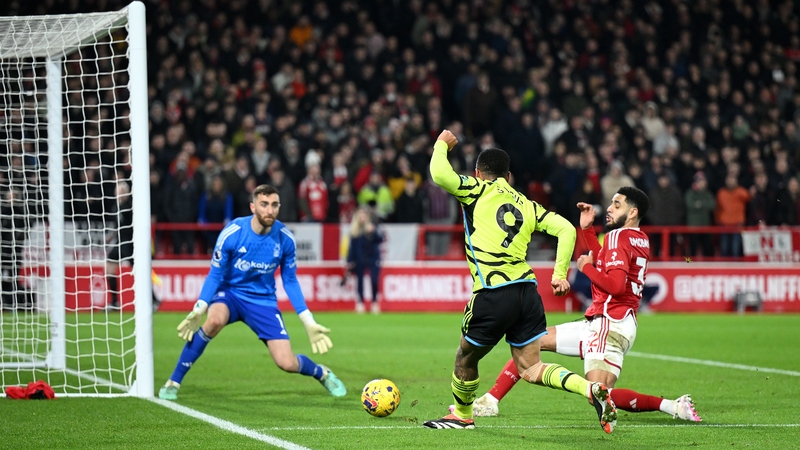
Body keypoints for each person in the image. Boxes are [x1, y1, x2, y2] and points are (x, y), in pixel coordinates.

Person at [422, 130, 617, 433]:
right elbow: (566, 229)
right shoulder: (527, 204)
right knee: (531, 367)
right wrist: (559, 274)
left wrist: (441, 143)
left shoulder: (476, 189)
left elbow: (439, 173)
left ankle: (461, 414)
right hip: (527, 293)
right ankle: (589, 389)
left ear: (478, 173)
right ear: (509, 176)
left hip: (492, 291)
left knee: (465, 356)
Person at [468, 187, 702, 423]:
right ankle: (491, 400)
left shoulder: (617, 237)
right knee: (531, 342)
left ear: (632, 212)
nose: (609, 208)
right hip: (613, 322)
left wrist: (585, 269)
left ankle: (673, 406)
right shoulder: (639, 238)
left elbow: (616, 285)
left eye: (617, 204)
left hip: (609, 324)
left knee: (598, 394)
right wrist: (588, 229)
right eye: (611, 203)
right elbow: (606, 260)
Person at [158, 184, 346, 400]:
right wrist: (201, 306)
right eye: (264, 204)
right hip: (230, 293)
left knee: (286, 362)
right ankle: (174, 381)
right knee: (213, 322)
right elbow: (215, 274)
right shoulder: (233, 233)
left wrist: (308, 320)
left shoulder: (285, 238)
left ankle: (322, 372)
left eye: (274, 205)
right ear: (252, 207)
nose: (269, 210)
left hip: (262, 301)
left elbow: (290, 281)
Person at [345, 207, 384, 314]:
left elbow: (380, 239)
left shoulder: (373, 228)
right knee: (360, 281)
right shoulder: (355, 231)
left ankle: (375, 302)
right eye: (360, 216)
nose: (362, 218)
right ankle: (360, 302)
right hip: (360, 258)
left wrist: (373, 231)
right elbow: (352, 247)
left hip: (373, 257)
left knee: (374, 280)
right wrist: (349, 260)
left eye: (364, 216)